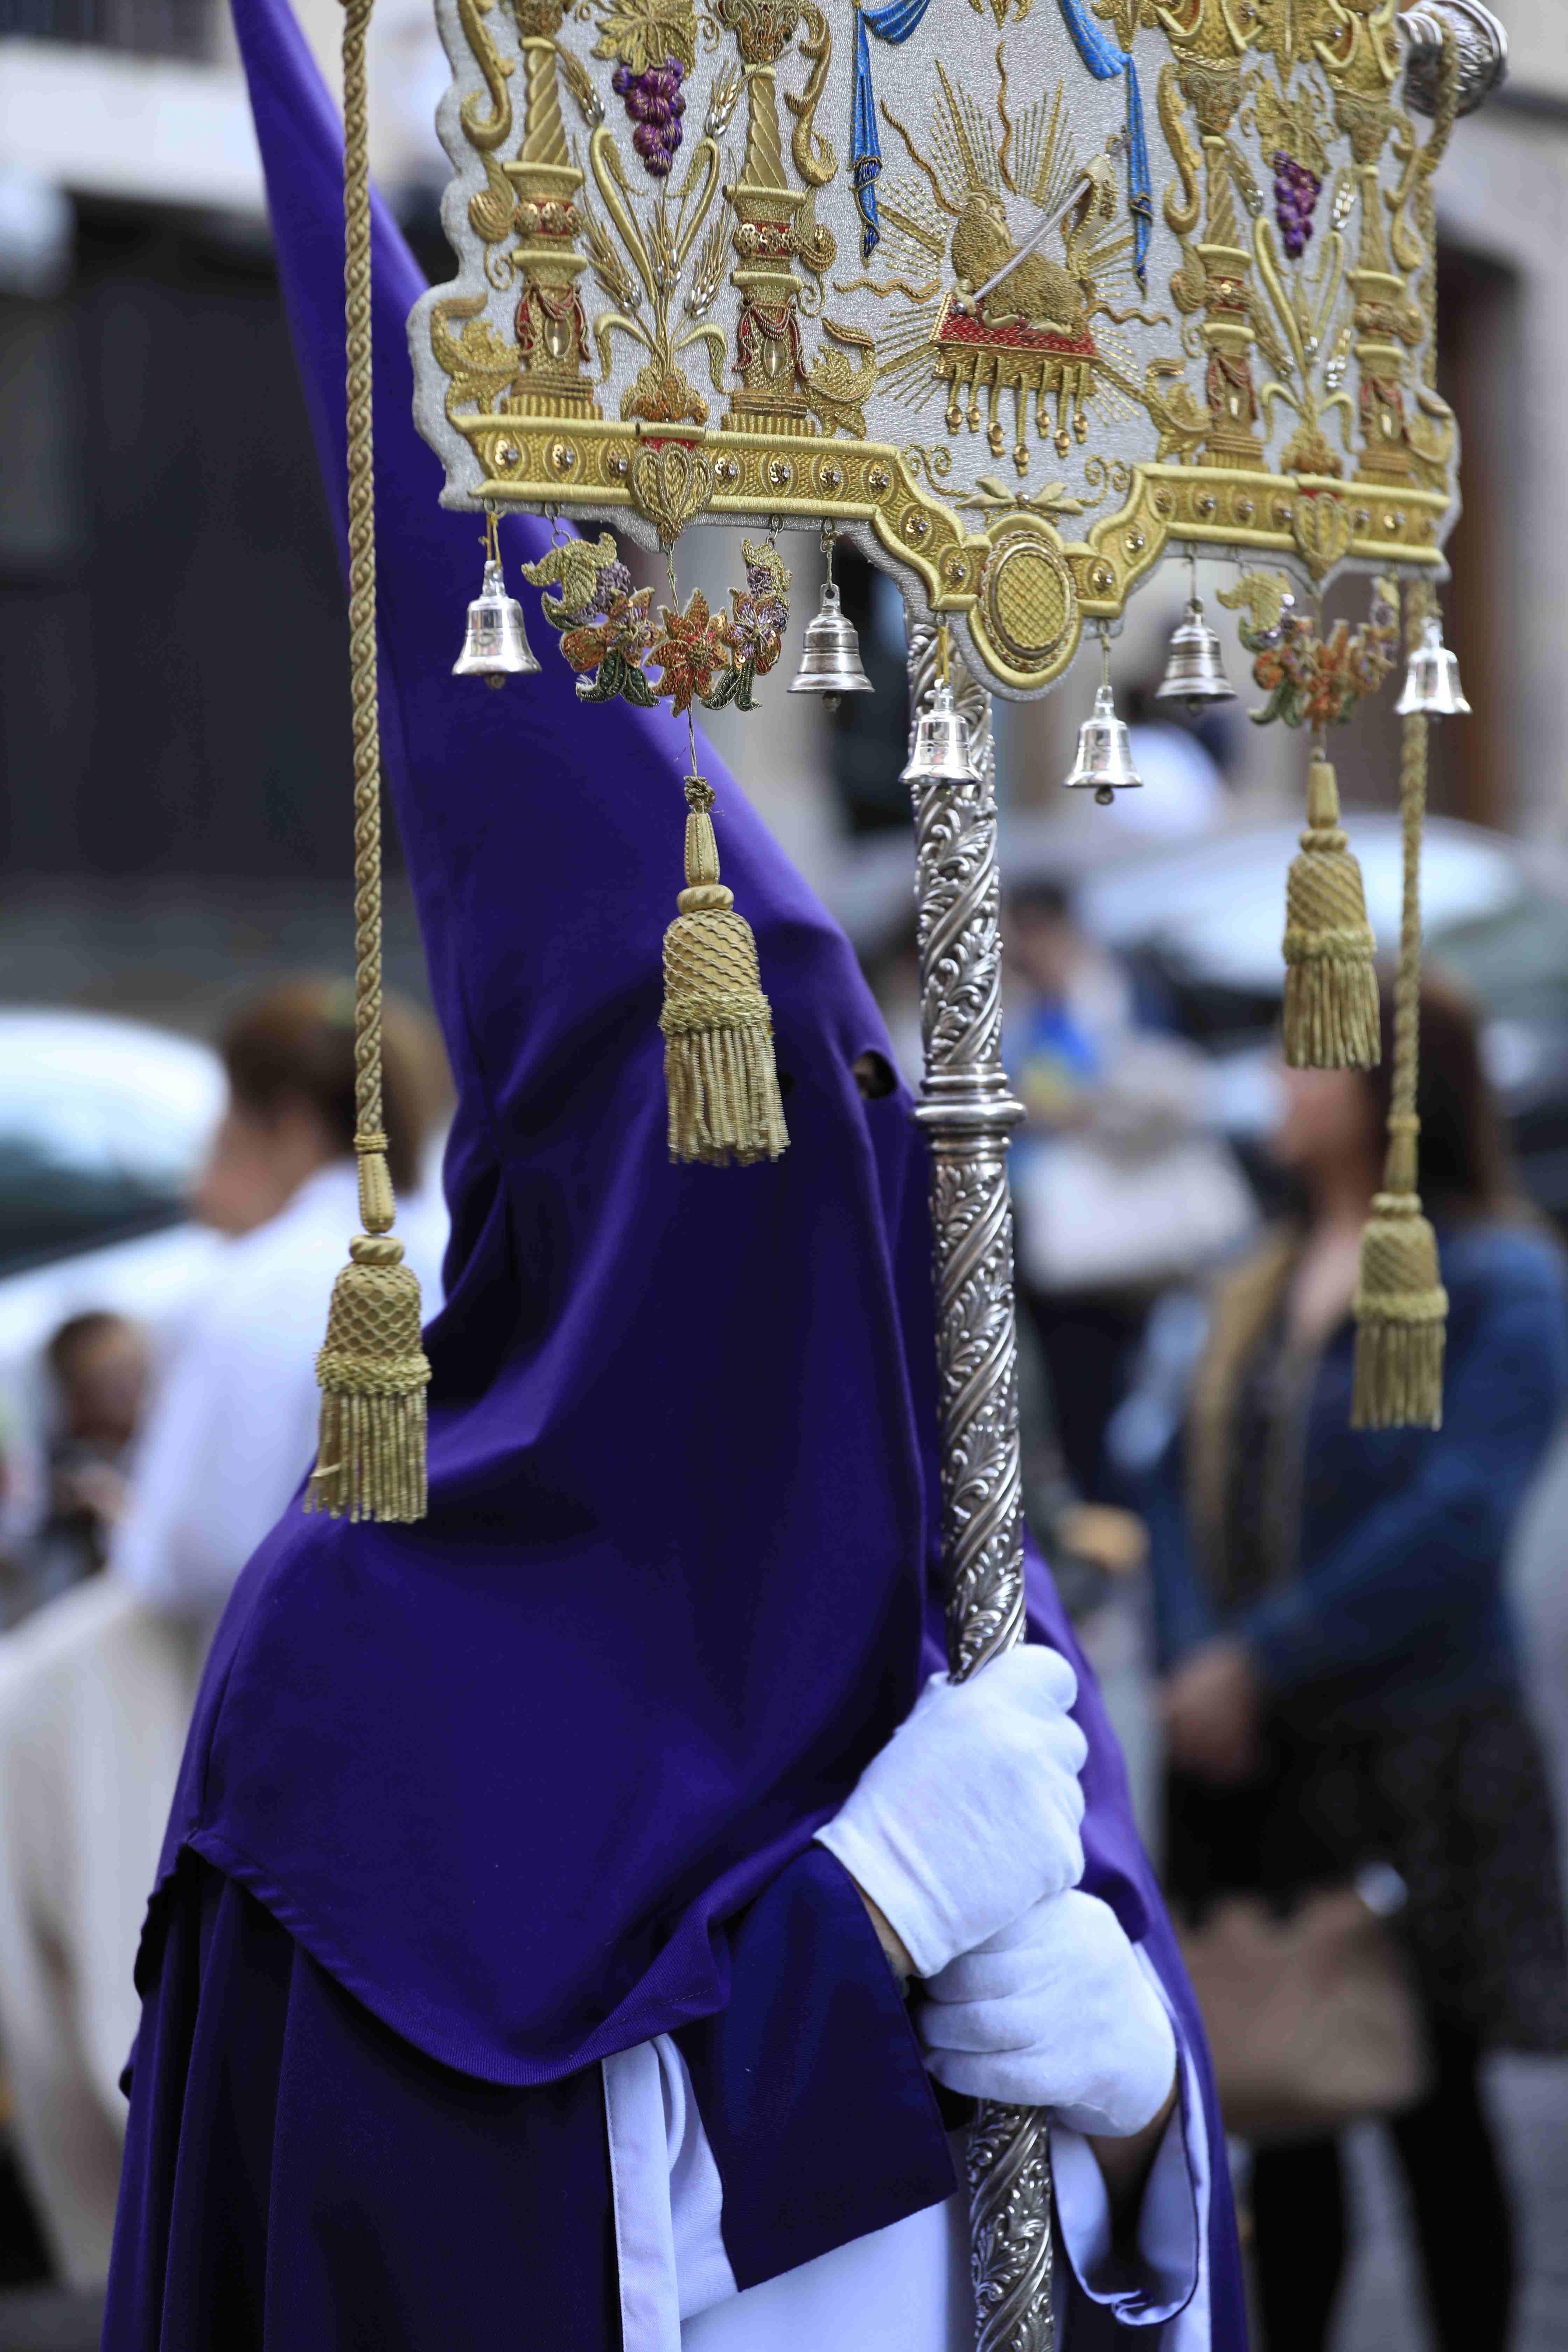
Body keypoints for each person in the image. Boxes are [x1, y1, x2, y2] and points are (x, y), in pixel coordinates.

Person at [99, 8, 1247, 2348]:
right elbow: (381, 2259)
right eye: (719, 1109)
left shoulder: (968, 1600)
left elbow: (1115, 2241)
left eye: (836, 1102)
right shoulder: (351, 1661)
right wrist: (853, 1941)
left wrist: (1142, 2136)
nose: (806, 1195)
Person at [0, 979, 449, 2287]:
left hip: (254, 1684)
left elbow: (179, 1554)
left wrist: (127, 1507)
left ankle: (130, 2140)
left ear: (286, 1123)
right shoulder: (453, 1231)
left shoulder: (267, 1279)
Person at [1147, 973, 1568, 2352]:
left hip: (1417, 1742)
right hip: (1258, 1761)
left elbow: (1456, 1521)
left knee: (1432, 2118)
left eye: (1307, 1064)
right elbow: (1170, 1484)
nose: (1278, 1087)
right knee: (1284, 2118)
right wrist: (1196, 1657)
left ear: (1394, 1092)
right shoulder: (1250, 1277)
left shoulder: (1500, 1275)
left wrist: (1255, 1661)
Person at [112, 975, 449, 1623]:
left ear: (290, 1125)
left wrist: (131, 1531)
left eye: (228, 1134)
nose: (198, 1183)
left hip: (304, 1656)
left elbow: (197, 1549)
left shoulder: (269, 1280)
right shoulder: (464, 1247)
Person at [17, 1311, 150, 1621]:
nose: (136, 1388)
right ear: (73, 1398)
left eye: (138, 1369)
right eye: (114, 1378)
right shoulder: (62, 1498)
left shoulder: (173, 1455)